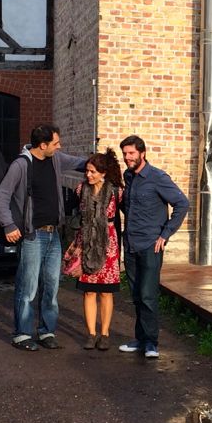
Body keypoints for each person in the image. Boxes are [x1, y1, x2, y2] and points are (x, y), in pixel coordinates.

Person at [0, 124, 86, 351]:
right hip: (32, 235)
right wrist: (8, 224)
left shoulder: (55, 159)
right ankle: (22, 335)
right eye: (56, 143)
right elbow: (2, 195)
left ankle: (47, 332)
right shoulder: (21, 165)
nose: (60, 146)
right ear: (43, 145)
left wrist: (105, 163)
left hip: (53, 234)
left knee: (52, 285)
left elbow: (79, 163)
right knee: (28, 287)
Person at [118, 134, 189, 358]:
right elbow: (128, 207)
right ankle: (140, 339)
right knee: (137, 295)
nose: (127, 158)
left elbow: (182, 203)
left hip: (150, 245)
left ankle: (151, 343)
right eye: (125, 154)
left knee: (148, 295)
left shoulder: (157, 177)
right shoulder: (128, 176)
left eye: (131, 153)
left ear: (142, 153)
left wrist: (165, 234)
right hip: (130, 244)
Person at [72, 148, 124, 350]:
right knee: (89, 292)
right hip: (87, 242)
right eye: (87, 171)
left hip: (108, 244)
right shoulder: (80, 189)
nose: (88, 175)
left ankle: (105, 333)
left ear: (103, 172)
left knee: (106, 293)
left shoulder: (116, 192)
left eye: (92, 171)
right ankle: (91, 333)